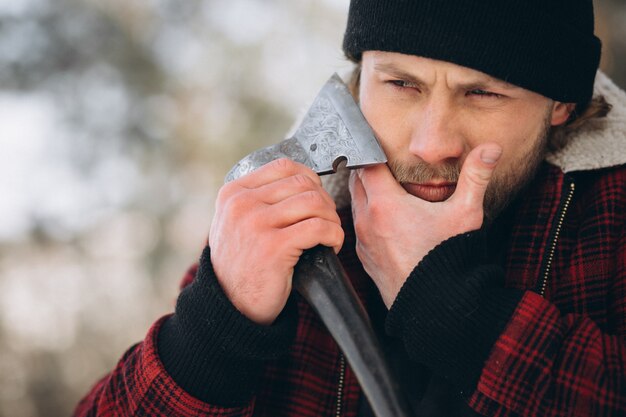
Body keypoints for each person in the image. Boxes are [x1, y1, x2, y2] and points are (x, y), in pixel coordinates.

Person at [74, 0, 626, 416]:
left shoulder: (612, 218)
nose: (431, 144)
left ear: (561, 105)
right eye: (401, 84)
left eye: (482, 94)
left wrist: (460, 319)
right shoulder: (285, 229)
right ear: (362, 79)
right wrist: (212, 336)